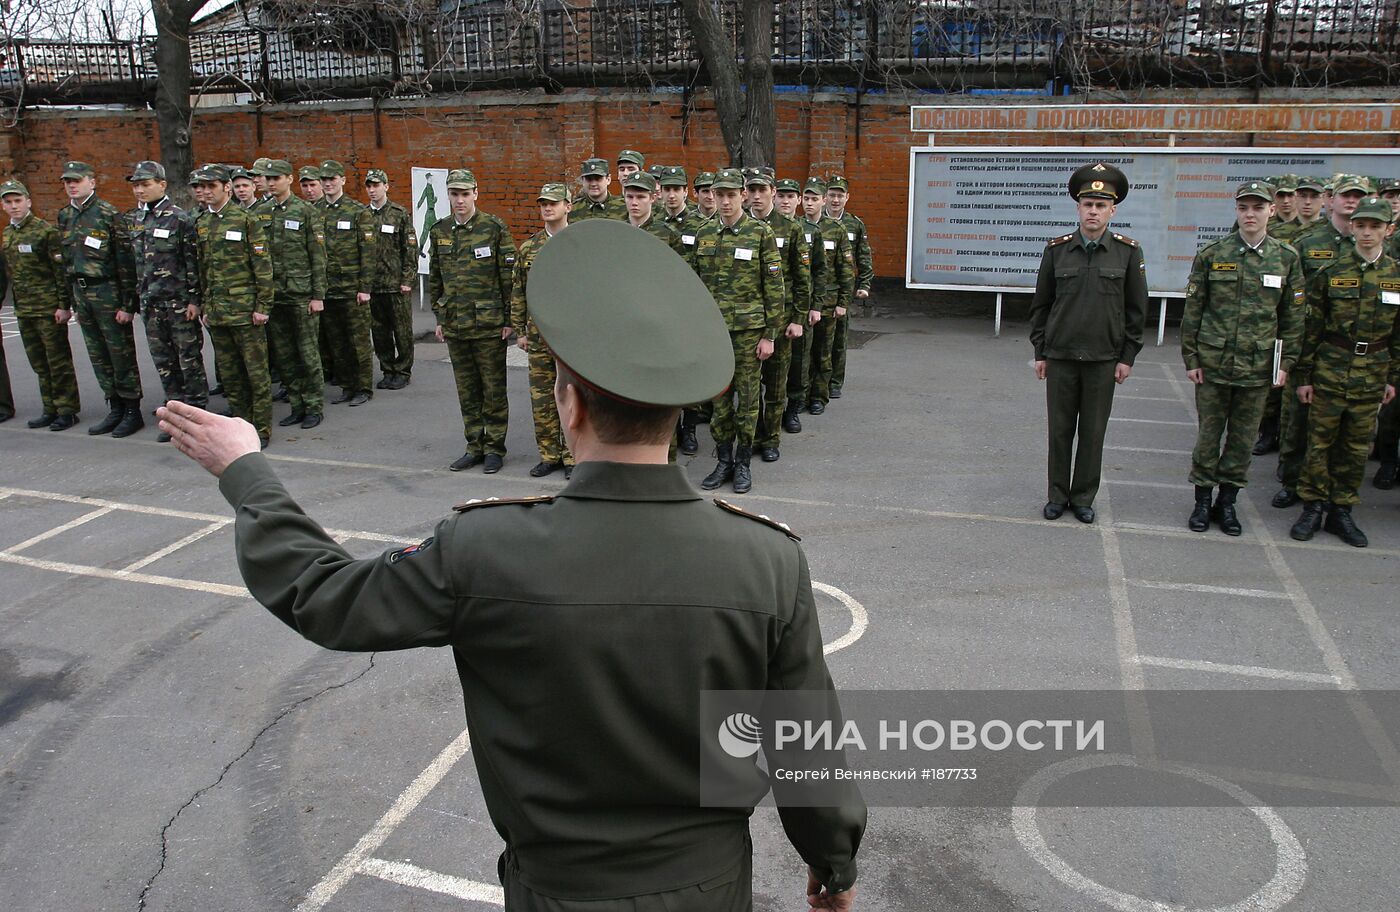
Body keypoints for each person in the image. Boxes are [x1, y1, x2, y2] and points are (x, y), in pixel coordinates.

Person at [155, 218, 864, 912]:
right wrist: (832, 867)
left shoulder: (485, 549)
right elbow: (809, 752)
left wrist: (246, 471)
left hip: (555, 889)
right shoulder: (769, 562)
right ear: (679, 413)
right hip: (707, 888)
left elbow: (323, 595)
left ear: (568, 403)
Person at [1180, 182, 1304, 535]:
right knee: (1208, 437)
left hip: (1257, 367)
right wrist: (1192, 359)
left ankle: (1227, 503)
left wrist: (1285, 363)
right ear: (1237, 211)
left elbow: (1293, 318)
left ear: (1271, 211)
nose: (1250, 214)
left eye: (1257, 207)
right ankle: (1202, 502)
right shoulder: (1212, 254)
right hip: (1214, 365)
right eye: (1244, 207)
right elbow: (1194, 311)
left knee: (1242, 440)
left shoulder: (1286, 258)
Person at [1029, 162, 1148, 524]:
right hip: (1062, 356)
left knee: (1093, 433)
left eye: (1101, 205)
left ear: (1113, 210)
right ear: (1078, 208)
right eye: (1087, 204)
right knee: (1060, 430)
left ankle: (1083, 497)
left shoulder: (1127, 253)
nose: (1093, 211)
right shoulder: (1057, 251)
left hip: (1102, 358)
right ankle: (1057, 494)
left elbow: (1135, 310)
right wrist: (1041, 352)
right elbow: (1041, 305)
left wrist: (1127, 356)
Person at [1288, 196, 1400, 548]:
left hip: (1373, 373)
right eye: (1361, 225)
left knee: (1356, 447)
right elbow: (1312, 329)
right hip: (1331, 369)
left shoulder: (1396, 275)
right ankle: (1312, 506)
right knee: (1319, 442)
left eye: (1375, 226)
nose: (1367, 233)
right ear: (1352, 227)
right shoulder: (1331, 273)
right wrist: (1304, 377)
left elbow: (1398, 335)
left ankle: (1342, 510)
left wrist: (1392, 378)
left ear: (1388, 230)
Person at [1271, 174, 1373, 509]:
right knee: (1297, 419)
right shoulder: (1307, 241)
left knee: (1342, 432)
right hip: (1307, 341)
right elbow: (1290, 294)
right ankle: (1291, 479)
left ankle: (1331, 492)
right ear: (1331, 199)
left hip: (1353, 353)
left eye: (1359, 196)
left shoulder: (1375, 250)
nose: (1351, 202)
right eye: (1346, 195)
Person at [692, 168, 785, 495]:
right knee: (719, 400)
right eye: (720, 195)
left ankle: (743, 463)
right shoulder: (705, 234)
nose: (726, 201)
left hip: (749, 333)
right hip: (715, 334)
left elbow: (774, 288)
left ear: (742, 196)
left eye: (732, 194)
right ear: (712, 197)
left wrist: (770, 335)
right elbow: (694, 288)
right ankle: (723, 460)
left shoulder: (759, 234)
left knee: (746, 400)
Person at [429, 168, 516, 473]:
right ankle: (473, 445)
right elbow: (435, 277)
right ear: (448, 196)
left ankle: (494, 447)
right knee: (467, 390)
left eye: (465, 194)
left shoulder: (494, 227)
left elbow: (508, 277)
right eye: (455, 194)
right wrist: (439, 317)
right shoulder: (439, 230)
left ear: (476, 193)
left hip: (489, 324)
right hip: (455, 323)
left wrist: (509, 319)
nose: (460, 200)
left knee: (493, 389)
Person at [56, 160, 143, 437]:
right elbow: (67, 263)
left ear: (91, 182)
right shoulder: (65, 216)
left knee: (120, 353)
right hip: (82, 294)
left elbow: (125, 263)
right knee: (98, 354)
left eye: (77, 180)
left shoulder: (108, 214)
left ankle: (132, 410)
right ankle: (114, 405)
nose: (71, 185)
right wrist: (71, 301)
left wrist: (128, 304)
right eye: (67, 181)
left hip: (108, 292)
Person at [191, 164, 275, 448]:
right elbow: (203, 268)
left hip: (245, 311)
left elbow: (262, 266)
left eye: (211, 186)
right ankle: (241, 426)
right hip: (218, 312)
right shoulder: (202, 222)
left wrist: (263, 305)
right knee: (230, 375)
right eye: (201, 187)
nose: (205, 192)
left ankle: (261, 429)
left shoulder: (246, 219)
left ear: (226, 187)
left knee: (256, 373)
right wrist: (204, 304)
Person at [128, 160, 207, 442]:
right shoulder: (136, 219)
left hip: (178, 303)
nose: (140, 190)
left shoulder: (179, 218)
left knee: (188, 360)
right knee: (164, 361)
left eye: (145, 184)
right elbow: (136, 265)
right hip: (151, 304)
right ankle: (175, 412)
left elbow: (192, 262)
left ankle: (197, 415)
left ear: (162, 185)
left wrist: (195, 300)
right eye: (136, 185)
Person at [1, 178, 80, 430]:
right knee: (39, 362)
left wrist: (62, 305)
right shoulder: (7, 234)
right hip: (24, 309)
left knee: (58, 362)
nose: (14, 206)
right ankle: (50, 407)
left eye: (18, 201)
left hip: (48, 308)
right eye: (8, 202)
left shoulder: (45, 232)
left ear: (28, 202)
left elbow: (60, 272)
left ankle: (67, 410)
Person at [747, 170, 812, 462]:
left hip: (782, 320)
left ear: (772, 191)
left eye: (762, 190)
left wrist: (798, 318)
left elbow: (802, 277)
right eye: (752, 190)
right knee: (748, 388)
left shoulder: (791, 227)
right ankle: (752, 436)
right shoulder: (741, 226)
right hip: (747, 321)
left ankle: (770, 439)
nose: (757, 196)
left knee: (775, 385)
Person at [258, 159, 328, 430]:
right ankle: (296, 405)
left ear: (289, 179)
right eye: (269, 178)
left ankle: (313, 406)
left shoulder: (306, 211)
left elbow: (318, 257)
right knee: (285, 356)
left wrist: (317, 295)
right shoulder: (261, 212)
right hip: (275, 295)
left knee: (308, 354)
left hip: (302, 294)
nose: (272, 182)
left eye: (277, 178)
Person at [511, 182, 574, 479]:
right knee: (542, 397)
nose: (547, 208)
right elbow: (519, 292)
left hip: (573, 338)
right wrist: (519, 330)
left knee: (573, 396)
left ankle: (573, 455)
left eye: (553, 203)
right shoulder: (529, 248)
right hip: (538, 336)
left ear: (567, 206)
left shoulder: (580, 244)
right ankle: (549, 454)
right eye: (543, 204)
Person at [318, 160, 374, 406]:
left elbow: (368, 252)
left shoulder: (357, 211)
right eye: (324, 180)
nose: (328, 184)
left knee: (358, 340)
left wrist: (364, 288)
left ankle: (363, 387)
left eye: (332, 179)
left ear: (342, 180)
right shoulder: (315, 210)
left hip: (352, 288)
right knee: (336, 341)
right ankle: (346, 385)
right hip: (328, 289)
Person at [361, 168, 418, 390]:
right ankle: (387, 369)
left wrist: (407, 279)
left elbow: (410, 249)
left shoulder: (398, 213)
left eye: (377, 185)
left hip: (396, 285)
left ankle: (403, 370)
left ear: (386, 186)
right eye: (369, 186)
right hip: (373, 286)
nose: (373, 190)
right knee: (379, 332)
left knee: (402, 331)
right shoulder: (363, 215)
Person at [801, 178, 854, 416]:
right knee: (802, 354)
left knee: (823, 351)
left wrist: (843, 302)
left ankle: (818, 396)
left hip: (829, 302)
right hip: (803, 301)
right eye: (807, 199)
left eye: (814, 199)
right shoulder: (796, 227)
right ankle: (801, 395)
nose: (810, 203)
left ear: (823, 201)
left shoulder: (836, 229)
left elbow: (846, 269)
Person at [823, 176, 872, 400]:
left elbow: (864, 258)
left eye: (840, 195)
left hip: (842, 290)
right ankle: (815, 382)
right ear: (825, 197)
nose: (835, 200)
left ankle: (834, 382)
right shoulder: (812, 222)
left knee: (839, 340)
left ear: (847, 198)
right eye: (832, 195)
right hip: (819, 290)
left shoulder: (855, 224)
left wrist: (864, 284)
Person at [622, 171, 685, 254]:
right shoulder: (617, 231)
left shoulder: (669, 234)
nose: (634, 202)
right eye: (630, 197)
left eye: (640, 197)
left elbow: (679, 265)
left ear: (652, 198)